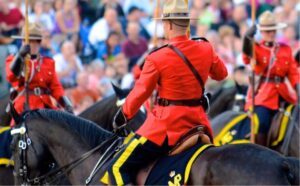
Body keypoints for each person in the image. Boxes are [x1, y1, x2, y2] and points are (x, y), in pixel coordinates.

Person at [107, 0, 228, 185]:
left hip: (167, 127)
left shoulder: (157, 57)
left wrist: (122, 116)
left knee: (115, 168)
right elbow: (222, 74)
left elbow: (140, 93)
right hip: (199, 123)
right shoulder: (205, 47)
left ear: (169, 24)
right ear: (187, 24)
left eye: (164, 23)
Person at [242, 10, 299, 145]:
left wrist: (297, 87)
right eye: (268, 31)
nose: (271, 33)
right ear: (261, 32)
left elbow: (293, 72)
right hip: (264, 96)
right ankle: (262, 153)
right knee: (262, 122)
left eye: (273, 30)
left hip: (284, 94)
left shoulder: (285, 49)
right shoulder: (256, 48)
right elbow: (246, 58)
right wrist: (247, 39)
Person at [5, 22, 73, 122]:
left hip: (45, 107)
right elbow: (11, 77)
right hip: (24, 107)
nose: (34, 44)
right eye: (30, 41)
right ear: (24, 42)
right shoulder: (12, 59)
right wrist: (20, 56)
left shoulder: (48, 62)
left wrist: (66, 103)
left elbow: (56, 87)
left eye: (37, 41)